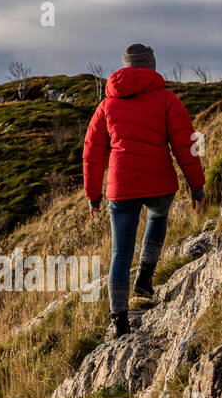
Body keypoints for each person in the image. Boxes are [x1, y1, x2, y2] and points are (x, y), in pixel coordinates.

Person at [83, 43, 207, 338]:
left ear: (125, 68)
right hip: (159, 184)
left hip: (121, 189)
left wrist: (93, 195)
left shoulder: (106, 106)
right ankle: (145, 279)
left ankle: (118, 319)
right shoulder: (168, 100)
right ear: (151, 67)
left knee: (120, 252)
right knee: (157, 218)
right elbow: (186, 148)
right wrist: (197, 188)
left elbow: (92, 153)